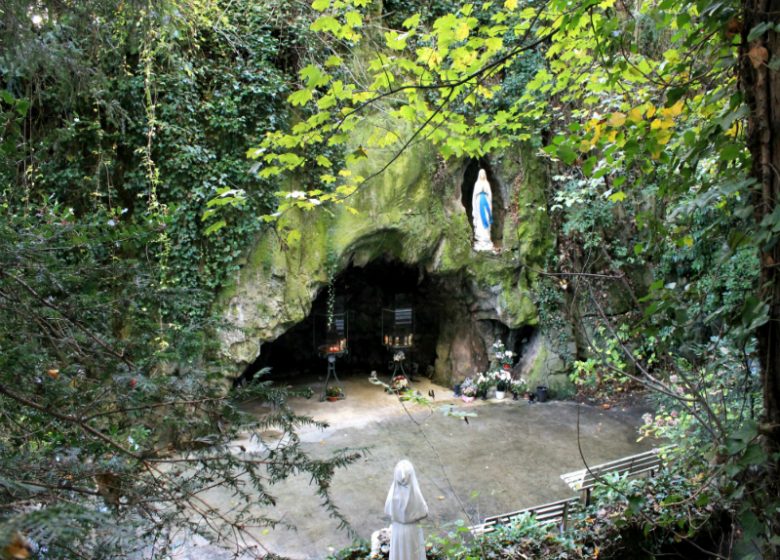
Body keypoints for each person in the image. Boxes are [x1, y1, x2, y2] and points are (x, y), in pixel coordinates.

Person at [384, 459, 428, 560]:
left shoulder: (392, 496)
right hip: (412, 530)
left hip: (397, 529)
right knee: (413, 554)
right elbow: (424, 512)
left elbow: (387, 509)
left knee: (398, 554)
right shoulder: (415, 496)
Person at [471, 168, 495, 252]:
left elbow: (490, 195)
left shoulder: (487, 183)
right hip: (479, 204)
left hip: (486, 205)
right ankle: (480, 239)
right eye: (481, 174)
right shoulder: (477, 184)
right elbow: (474, 196)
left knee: (487, 220)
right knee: (480, 221)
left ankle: (486, 239)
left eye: (483, 174)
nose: (482, 175)